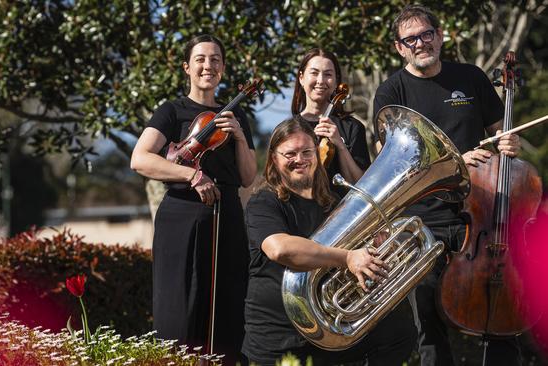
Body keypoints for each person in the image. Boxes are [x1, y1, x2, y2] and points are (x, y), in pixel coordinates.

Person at [373, 5, 522, 366]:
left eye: (426, 34)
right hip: (423, 222)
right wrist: (455, 162)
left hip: (482, 211)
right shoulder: (391, 92)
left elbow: (498, 132)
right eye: (411, 39)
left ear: (439, 36)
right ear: (399, 48)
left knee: (498, 310)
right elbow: (388, 163)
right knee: (428, 319)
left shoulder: (470, 77)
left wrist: (509, 143)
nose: (421, 43)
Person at [242, 118, 417, 366]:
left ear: (318, 153)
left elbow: (358, 257)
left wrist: (373, 249)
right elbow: (280, 248)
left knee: (399, 332)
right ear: (273, 158)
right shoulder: (264, 202)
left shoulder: (332, 203)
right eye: (289, 154)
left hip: (327, 328)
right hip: (279, 336)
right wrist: (347, 257)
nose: (299, 159)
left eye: (306, 152)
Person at [130, 34, 256, 364]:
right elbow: (140, 158)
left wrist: (240, 138)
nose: (208, 65)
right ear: (187, 67)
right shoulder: (171, 111)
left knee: (225, 306)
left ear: (223, 68)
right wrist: (192, 174)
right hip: (180, 215)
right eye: (200, 59)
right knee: (178, 307)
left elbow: (247, 177)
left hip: (224, 215)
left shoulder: (237, 116)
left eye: (215, 60)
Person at [290, 48, 370, 197]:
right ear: (301, 78)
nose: (320, 80)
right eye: (314, 73)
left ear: (336, 81)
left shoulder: (352, 127)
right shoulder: (288, 129)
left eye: (328, 74)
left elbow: (361, 186)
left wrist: (339, 145)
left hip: (342, 214)